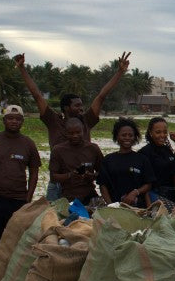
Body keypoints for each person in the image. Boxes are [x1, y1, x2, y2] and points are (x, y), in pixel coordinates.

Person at [16, 51, 129, 201]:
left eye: (82, 106)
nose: (81, 109)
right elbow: (36, 94)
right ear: (66, 108)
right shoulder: (53, 121)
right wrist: (22, 68)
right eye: (77, 106)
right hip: (59, 184)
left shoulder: (86, 120)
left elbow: (102, 96)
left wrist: (119, 72)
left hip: (83, 184)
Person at [0, 104, 41, 266]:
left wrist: (28, 197)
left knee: (14, 241)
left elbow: (34, 172)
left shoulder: (28, 144)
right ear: (4, 120)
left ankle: (4, 276)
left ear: (22, 122)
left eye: (18, 119)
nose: (14, 122)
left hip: (17, 200)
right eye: (10, 118)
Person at [98, 118, 154, 207]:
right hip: (115, 207)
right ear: (116, 136)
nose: (127, 138)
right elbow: (103, 185)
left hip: (138, 208)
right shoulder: (108, 160)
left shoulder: (142, 159)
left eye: (130, 135)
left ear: (135, 137)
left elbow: (148, 184)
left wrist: (135, 192)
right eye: (123, 135)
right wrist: (111, 205)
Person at [49, 117, 102, 204]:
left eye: (78, 132)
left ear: (83, 131)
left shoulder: (93, 148)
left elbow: (102, 172)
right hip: (68, 197)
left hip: (89, 195)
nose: (75, 136)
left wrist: (92, 176)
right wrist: (70, 175)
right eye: (71, 133)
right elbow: (53, 177)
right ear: (65, 133)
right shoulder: (58, 150)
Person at [142, 117, 175, 203]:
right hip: (155, 194)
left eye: (165, 132)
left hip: (173, 192)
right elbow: (144, 181)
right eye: (158, 132)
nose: (162, 135)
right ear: (150, 133)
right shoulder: (145, 152)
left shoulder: (167, 149)